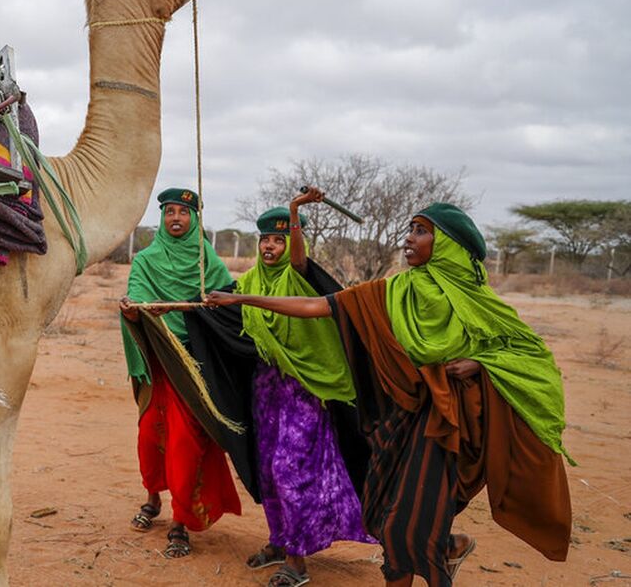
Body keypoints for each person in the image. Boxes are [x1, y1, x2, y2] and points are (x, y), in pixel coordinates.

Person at [204, 203, 572, 586]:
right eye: (409, 229)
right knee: (386, 516)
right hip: (402, 415)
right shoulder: (396, 288)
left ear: (447, 243)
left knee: (405, 527)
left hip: (449, 424)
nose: (409, 238)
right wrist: (242, 299)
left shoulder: (478, 302)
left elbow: (530, 356)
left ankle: (442, 550)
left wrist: (479, 363)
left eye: (421, 231)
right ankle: (448, 546)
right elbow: (318, 306)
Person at [238, 189, 373, 587]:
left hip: (304, 387)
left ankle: (297, 564)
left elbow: (298, 257)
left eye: (278, 239)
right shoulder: (250, 280)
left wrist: (295, 211)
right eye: (265, 239)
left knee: (289, 468)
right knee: (268, 469)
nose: (270, 246)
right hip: (267, 387)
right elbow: (215, 303)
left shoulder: (297, 275)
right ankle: (280, 542)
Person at [118, 188, 242, 559]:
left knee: (186, 443)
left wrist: (212, 307)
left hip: (194, 366)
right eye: (170, 211)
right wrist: (132, 311)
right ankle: (153, 498)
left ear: (195, 219)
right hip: (159, 362)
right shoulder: (146, 260)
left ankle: (180, 522)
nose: (176, 218)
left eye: (183, 213)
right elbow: (136, 297)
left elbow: (227, 303)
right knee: (148, 436)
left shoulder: (208, 261)